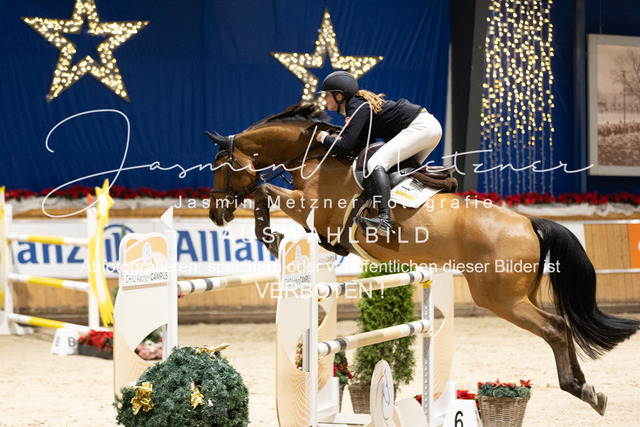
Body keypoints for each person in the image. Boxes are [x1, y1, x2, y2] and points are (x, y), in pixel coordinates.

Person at [316, 70, 442, 237]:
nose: (324, 98)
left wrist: (324, 138)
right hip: (428, 127)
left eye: (327, 95)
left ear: (339, 96)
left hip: (420, 127)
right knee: (397, 172)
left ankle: (384, 219)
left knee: (376, 163)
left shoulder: (356, 107)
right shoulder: (358, 106)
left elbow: (345, 146)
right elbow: (363, 145)